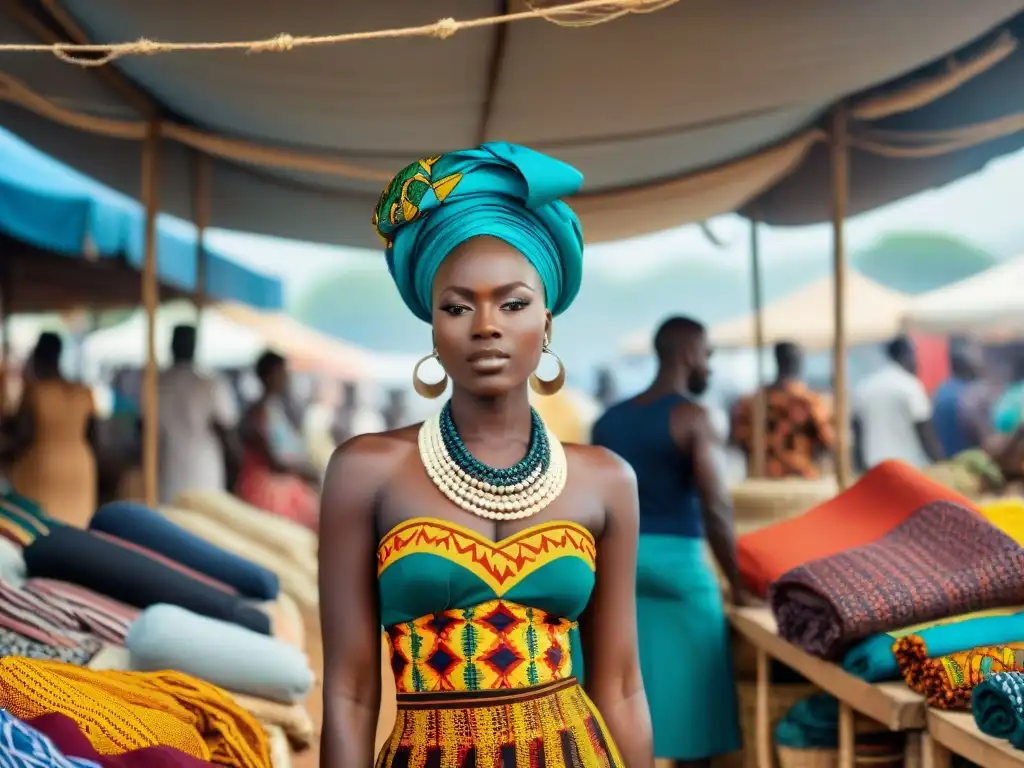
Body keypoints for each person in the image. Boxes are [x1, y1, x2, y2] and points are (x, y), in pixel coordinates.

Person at [319, 144, 651, 768]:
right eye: (458, 305)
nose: (486, 325)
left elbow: (622, 686)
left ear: (547, 319)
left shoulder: (606, 480)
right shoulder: (366, 472)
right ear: (433, 322)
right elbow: (350, 692)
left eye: (513, 303)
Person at [591, 315, 745, 767]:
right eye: (709, 355)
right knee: (697, 702)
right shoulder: (693, 417)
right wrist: (737, 585)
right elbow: (716, 507)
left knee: (622, 691)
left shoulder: (607, 422)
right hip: (679, 567)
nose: (710, 367)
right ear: (689, 353)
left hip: (616, 565)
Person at [7, 333, 97, 527]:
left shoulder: (36, 392)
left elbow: (22, 434)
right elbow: (94, 434)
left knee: (40, 527)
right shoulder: (82, 390)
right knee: (77, 526)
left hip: (43, 464)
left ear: (37, 357)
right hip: (80, 462)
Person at [154, 325, 240, 504]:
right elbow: (226, 429)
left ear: (171, 345)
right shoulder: (210, 383)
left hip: (169, 470)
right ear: (195, 346)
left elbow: (144, 428)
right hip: (204, 472)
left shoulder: (156, 384)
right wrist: (237, 467)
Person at [235, 351, 320, 530]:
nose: (286, 377)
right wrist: (305, 472)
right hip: (266, 490)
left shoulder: (275, 409)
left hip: (280, 486)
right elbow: (274, 461)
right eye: (282, 372)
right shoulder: (258, 413)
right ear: (269, 375)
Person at [730, 341, 834, 478]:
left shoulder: (753, 401)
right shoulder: (810, 402)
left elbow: (827, 441)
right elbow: (829, 442)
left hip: (773, 476)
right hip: (785, 475)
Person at [852, 336, 944, 470]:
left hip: (874, 468)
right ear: (905, 354)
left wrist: (859, 468)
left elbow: (857, 434)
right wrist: (940, 462)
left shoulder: (864, 387)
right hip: (911, 467)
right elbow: (925, 432)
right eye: (914, 356)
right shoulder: (910, 386)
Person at [931, 341, 983, 457]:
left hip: (950, 459)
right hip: (970, 459)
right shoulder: (969, 394)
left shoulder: (941, 391)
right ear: (964, 363)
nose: (979, 363)